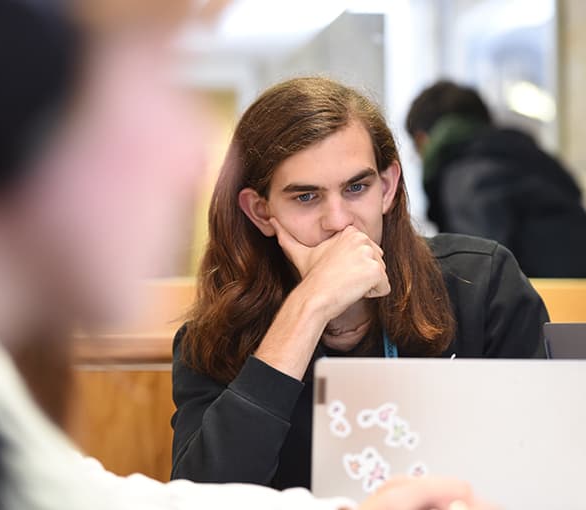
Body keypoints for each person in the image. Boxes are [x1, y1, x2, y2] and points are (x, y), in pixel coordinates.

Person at [0, 1, 490, 509]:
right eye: (152, 79)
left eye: (357, 187)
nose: (186, 155)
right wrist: (305, 311)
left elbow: (91, 501)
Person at [170, 77, 548, 490]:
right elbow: (203, 497)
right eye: (306, 197)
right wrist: (308, 307)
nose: (338, 221)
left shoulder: (481, 284)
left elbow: (543, 469)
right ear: (261, 212)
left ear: (386, 189)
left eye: (356, 188)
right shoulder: (214, 337)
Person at [404, 80, 586, 278]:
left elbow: (478, 277)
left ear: (423, 141)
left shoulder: (467, 177)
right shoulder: (525, 160)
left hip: (555, 309)